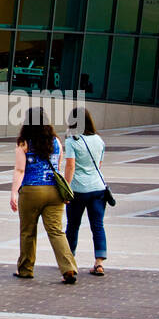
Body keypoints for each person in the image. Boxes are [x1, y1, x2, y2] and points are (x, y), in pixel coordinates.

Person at [10, 107, 77, 283]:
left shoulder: (24, 143)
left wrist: (13, 193)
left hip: (31, 190)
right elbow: (58, 166)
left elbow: (20, 170)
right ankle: (68, 268)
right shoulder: (56, 141)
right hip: (54, 191)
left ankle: (25, 269)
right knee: (56, 231)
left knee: (28, 231)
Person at [64, 106, 108, 276]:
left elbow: (70, 166)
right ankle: (99, 262)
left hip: (77, 189)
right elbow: (99, 166)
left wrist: (66, 188)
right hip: (98, 188)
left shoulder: (72, 140)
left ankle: (69, 260)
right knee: (98, 225)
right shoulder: (99, 140)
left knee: (73, 225)